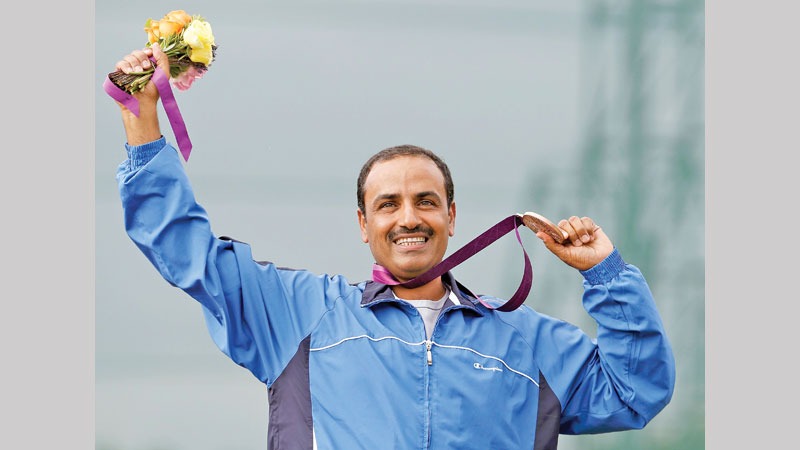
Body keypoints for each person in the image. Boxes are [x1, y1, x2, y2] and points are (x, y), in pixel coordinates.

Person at [112, 45, 675, 450]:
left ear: (452, 217)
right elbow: (189, 254)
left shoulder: (528, 343)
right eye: (388, 205)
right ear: (364, 224)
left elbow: (636, 391)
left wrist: (605, 273)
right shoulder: (301, 314)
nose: (410, 218)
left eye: (426, 201)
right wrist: (142, 121)